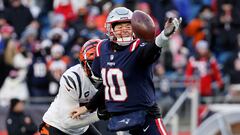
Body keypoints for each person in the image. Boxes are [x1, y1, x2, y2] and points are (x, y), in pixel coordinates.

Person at [71, 7, 181, 135]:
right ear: (110, 29)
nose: (124, 30)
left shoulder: (138, 46)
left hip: (145, 115)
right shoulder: (102, 48)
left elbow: (152, 49)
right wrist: (87, 107)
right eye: (119, 26)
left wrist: (163, 36)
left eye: (128, 26)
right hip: (120, 118)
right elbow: (107, 85)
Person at [39, 39, 104, 135]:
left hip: (81, 127)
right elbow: (67, 122)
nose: (100, 68)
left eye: (104, 63)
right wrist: (98, 115)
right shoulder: (73, 78)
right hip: (57, 126)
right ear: (84, 64)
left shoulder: (113, 74)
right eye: (95, 63)